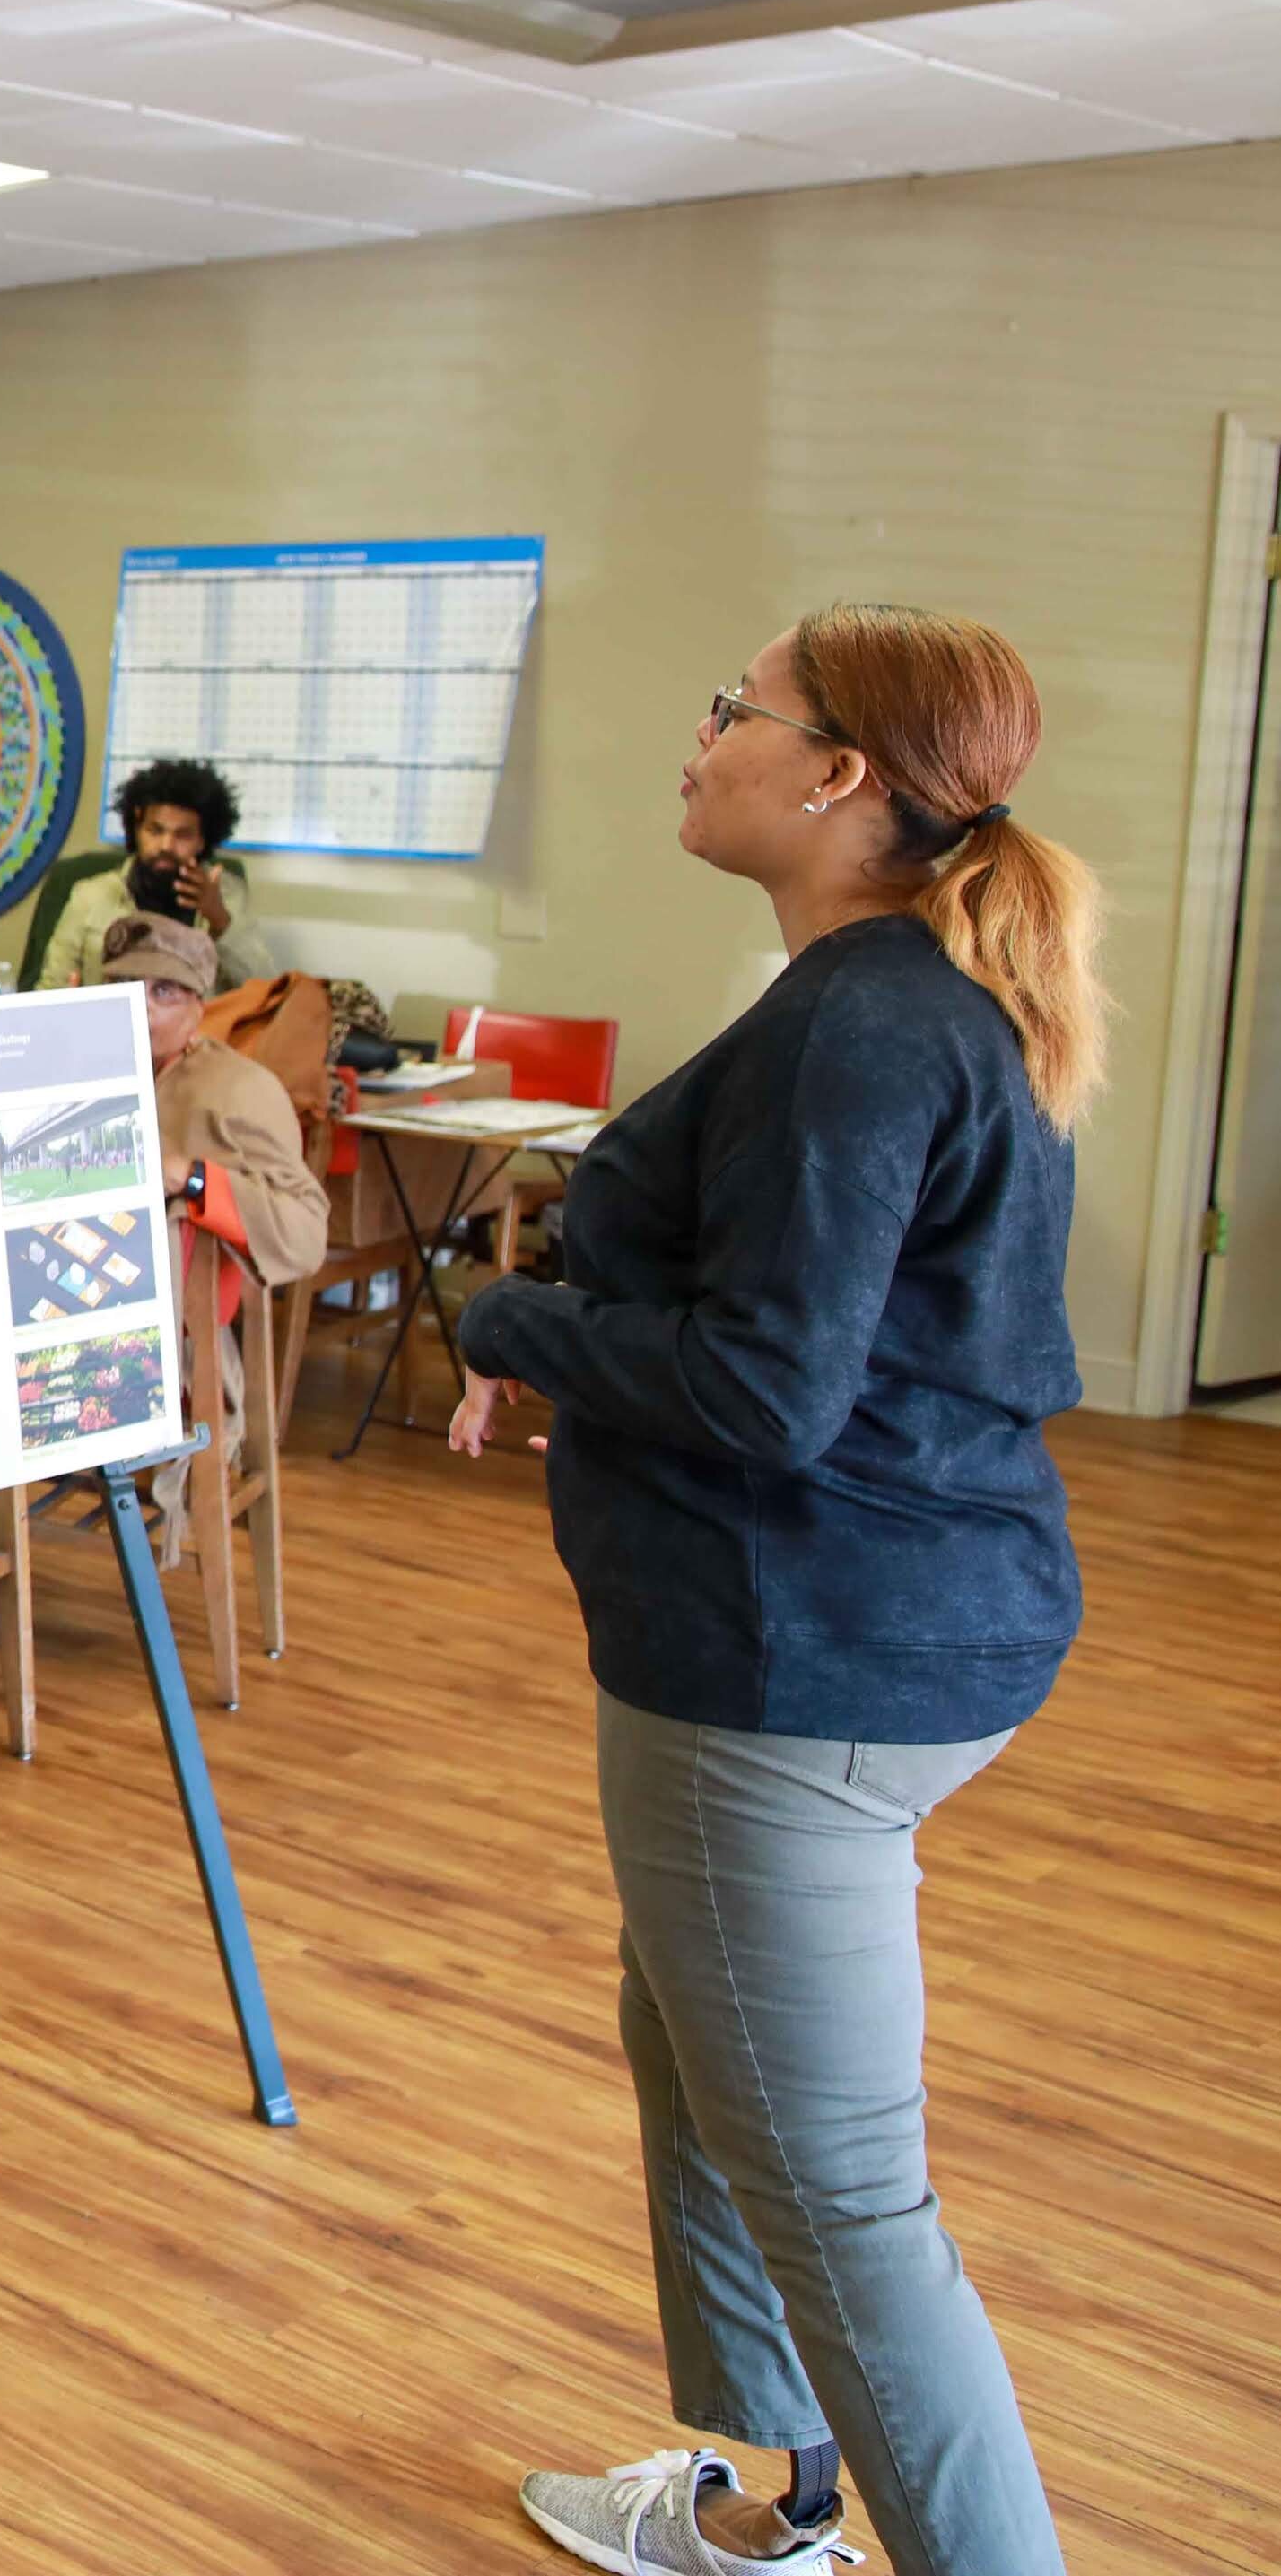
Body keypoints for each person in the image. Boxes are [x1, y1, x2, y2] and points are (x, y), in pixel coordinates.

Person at [451, 607, 1101, 2576]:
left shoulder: (865, 1023)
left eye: (731, 708)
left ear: (836, 778)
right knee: (694, 2050)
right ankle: (774, 2508)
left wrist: (518, 1319)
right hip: (875, 1622)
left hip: (796, 1664)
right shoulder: (891, 992)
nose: (700, 732)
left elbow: (765, 1388)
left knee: (838, 2199)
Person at [98, 914, 326, 1289]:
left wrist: (194, 1176)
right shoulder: (90, 1071)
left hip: (178, 1317)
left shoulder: (240, 1089)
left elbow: (306, 1233)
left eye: (164, 992)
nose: (141, 1005)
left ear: (198, 1008)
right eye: (124, 985)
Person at [37, 757, 279, 987]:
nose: (166, 846)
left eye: (182, 835)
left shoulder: (226, 893)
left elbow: (264, 990)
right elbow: (50, 989)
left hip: (198, 1028)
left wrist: (219, 920)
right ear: (136, 830)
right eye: (155, 831)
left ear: (202, 841)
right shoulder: (90, 896)